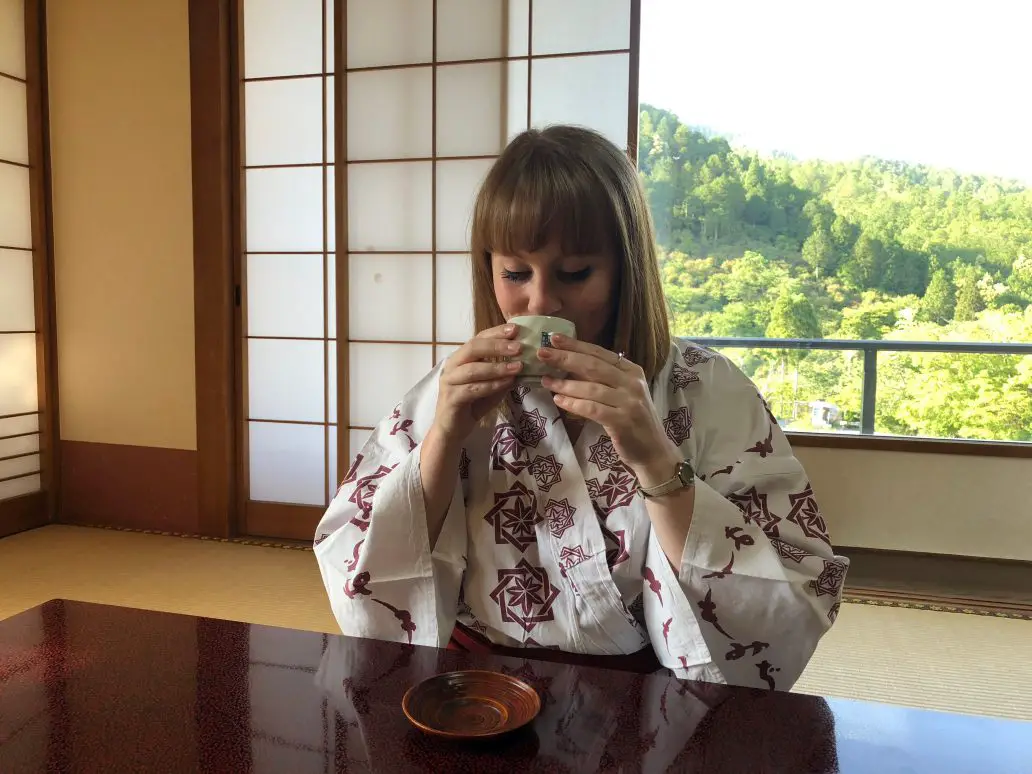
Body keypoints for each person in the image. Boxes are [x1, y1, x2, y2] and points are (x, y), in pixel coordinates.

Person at [314, 125, 848, 691]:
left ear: (625, 271)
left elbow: (791, 585)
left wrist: (655, 460)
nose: (541, 301)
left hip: (645, 693)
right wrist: (444, 438)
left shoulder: (704, 389)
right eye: (515, 274)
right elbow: (359, 563)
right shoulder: (454, 389)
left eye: (574, 274)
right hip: (472, 684)